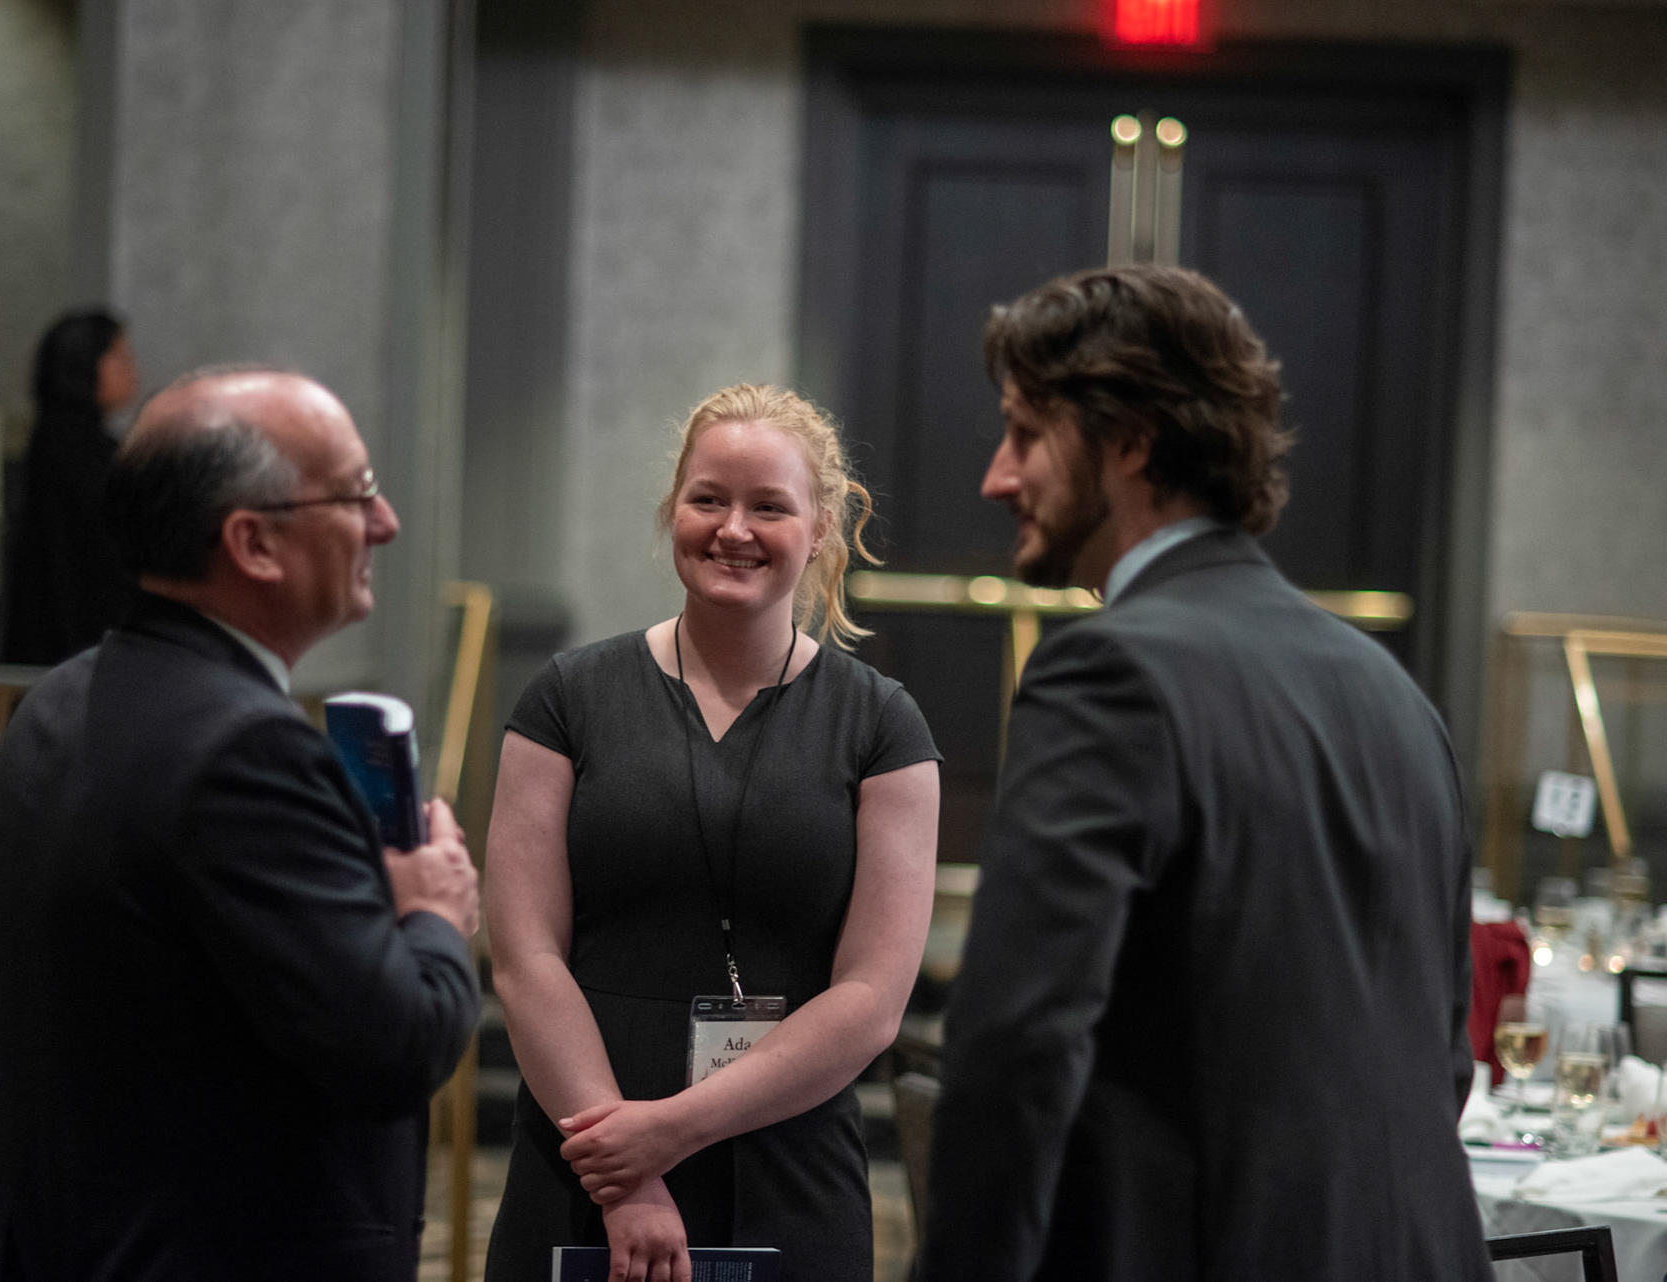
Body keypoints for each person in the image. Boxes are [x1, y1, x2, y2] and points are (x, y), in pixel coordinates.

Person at [922, 266, 1492, 1281]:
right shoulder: (1398, 695)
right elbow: (1441, 1056)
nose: (998, 478)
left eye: (1025, 433)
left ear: (1132, 439)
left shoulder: (1109, 670)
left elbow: (1015, 1046)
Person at [0, 368, 481, 1282]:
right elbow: (394, 1049)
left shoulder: (55, 702)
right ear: (254, 544)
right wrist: (433, 912)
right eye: (356, 493)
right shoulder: (248, 752)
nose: (385, 522)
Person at [483, 384, 941, 1282]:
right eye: (709, 499)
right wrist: (627, 1176)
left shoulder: (882, 725)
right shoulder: (566, 699)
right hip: (586, 1148)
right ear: (674, 511)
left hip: (789, 1161)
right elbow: (525, 955)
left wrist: (666, 1134)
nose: (734, 528)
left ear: (819, 532)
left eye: (769, 506)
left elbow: (872, 998)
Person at [0, 308, 140, 666]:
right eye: (120, 357)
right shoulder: (78, 451)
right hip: (78, 643)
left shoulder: (55, 441)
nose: (132, 368)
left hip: (60, 643)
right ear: (85, 364)